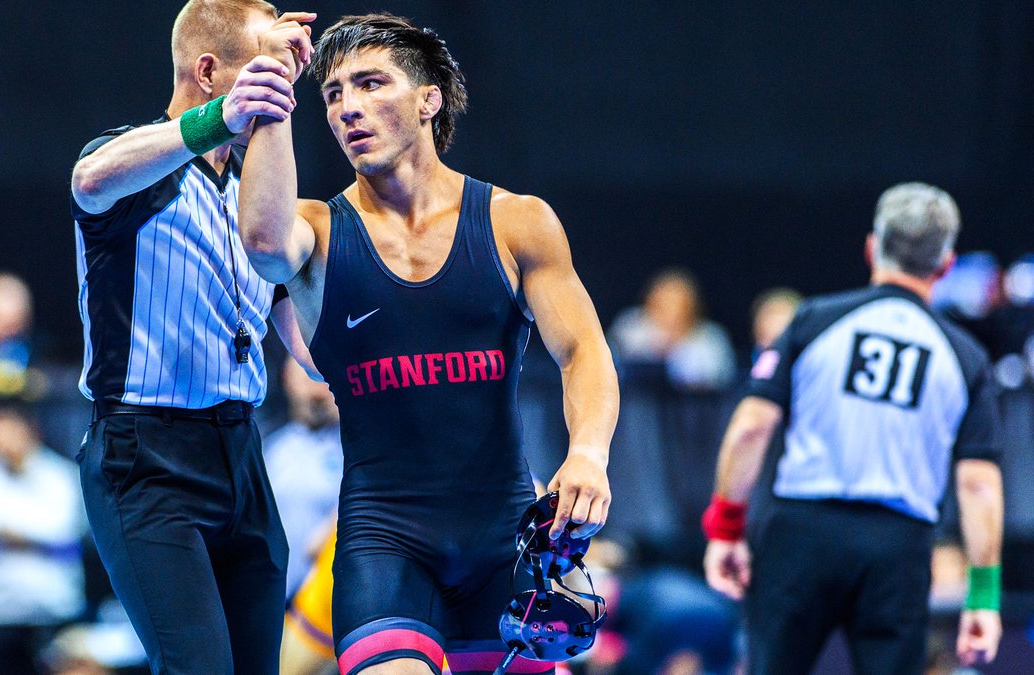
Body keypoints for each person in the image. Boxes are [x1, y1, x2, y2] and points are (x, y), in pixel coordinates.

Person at [237, 13, 619, 675]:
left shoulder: (515, 222)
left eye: (370, 83)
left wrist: (587, 453)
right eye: (332, 93)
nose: (348, 107)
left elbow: (583, 350)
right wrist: (273, 91)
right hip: (384, 549)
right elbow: (264, 244)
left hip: (504, 546)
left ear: (427, 99)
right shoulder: (315, 231)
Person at [68, 2, 317, 672]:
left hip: (243, 452)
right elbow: (88, 180)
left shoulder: (251, 200)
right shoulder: (136, 166)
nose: (275, 94)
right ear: (209, 72)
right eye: (262, 74)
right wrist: (218, 122)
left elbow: (311, 350)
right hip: (146, 458)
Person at [701, 182, 1005, 674]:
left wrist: (726, 527)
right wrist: (984, 595)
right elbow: (978, 484)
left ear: (871, 247)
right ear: (945, 265)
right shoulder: (966, 358)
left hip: (802, 534)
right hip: (899, 547)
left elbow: (750, 429)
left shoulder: (815, 321)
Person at [0, 404, 88, 675]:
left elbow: (64, 535)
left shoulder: (61, 476)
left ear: (28, 430)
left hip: (51, 613)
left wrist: (1, 532)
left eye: (2, 431)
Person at [263, 356, 343, 598]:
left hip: (323, 609)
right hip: (276, 601)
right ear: (287, 377)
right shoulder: (271, 447)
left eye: (323, 378)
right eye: (307, 375)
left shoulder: (357, 452)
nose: (316, 388)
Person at [608, 269, 736, 391]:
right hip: (636, 408)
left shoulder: (711, 337)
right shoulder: (630, 327)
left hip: (695, 410)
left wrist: (678, 351)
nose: (672, 314)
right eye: (663, 306)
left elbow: (720, 376)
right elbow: (610, 363)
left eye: (680, 306)